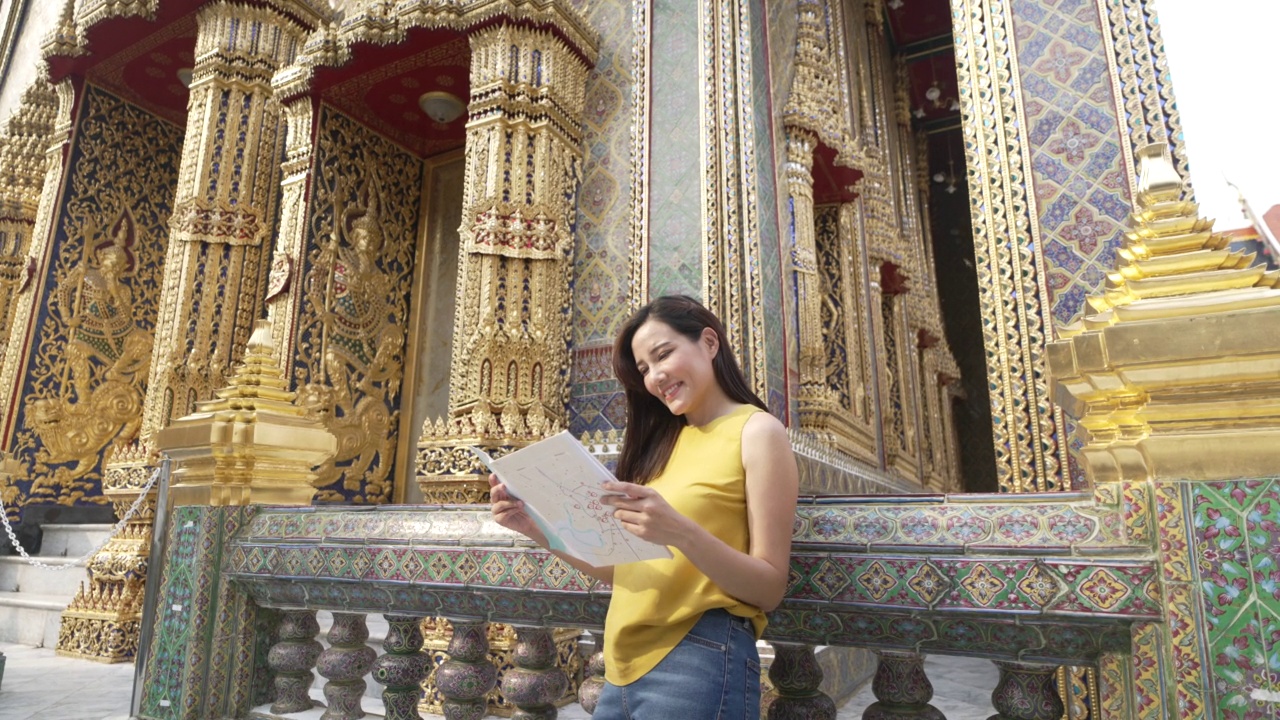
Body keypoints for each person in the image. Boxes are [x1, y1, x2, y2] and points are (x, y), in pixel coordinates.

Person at [490, 295, 799, 719]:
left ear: (709, 342)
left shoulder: (757, 432)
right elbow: (627, 570)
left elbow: (768, 588)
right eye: (644, 369)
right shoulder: (660, 448)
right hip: (619, 664)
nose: (655, 376)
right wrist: (536, 529)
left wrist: (682, 532)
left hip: (700, 656)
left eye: (663, 354)